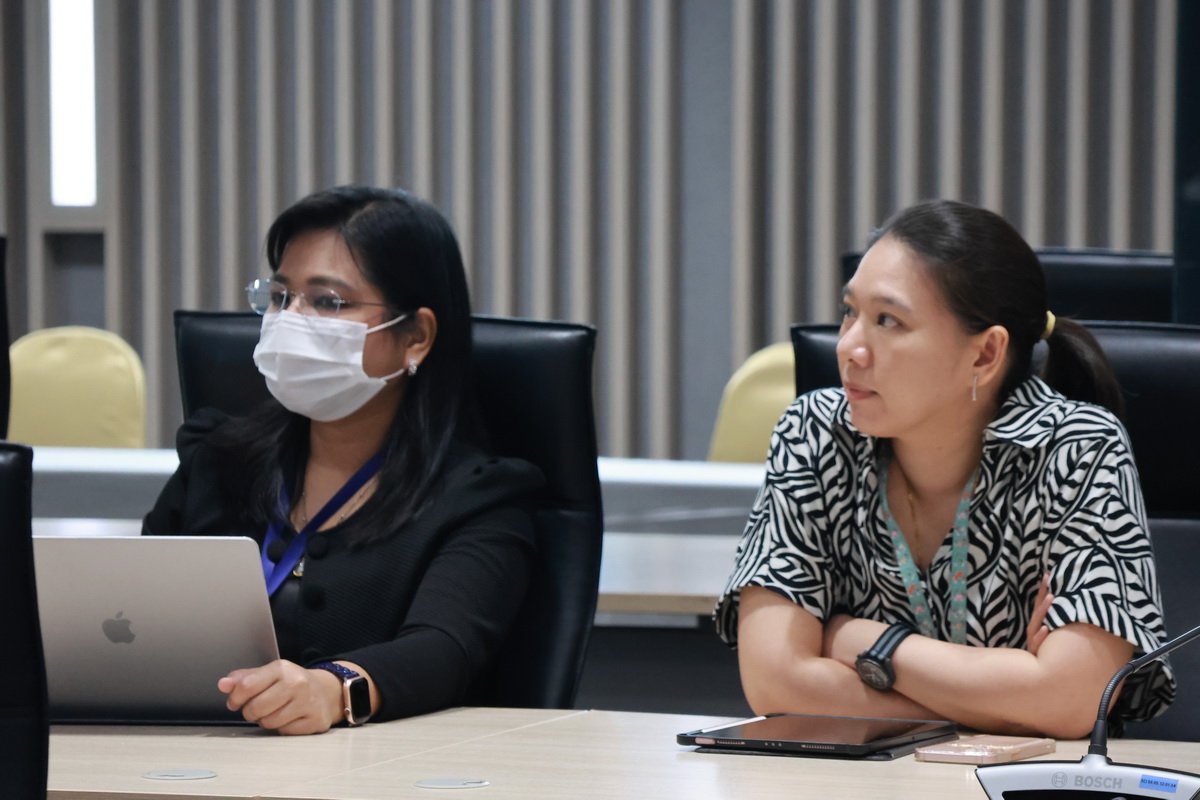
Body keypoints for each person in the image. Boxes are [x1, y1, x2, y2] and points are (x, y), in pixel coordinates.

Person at [715, 199, 1175, 739]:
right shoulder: (815, 433)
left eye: (888, 320)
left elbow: (1076, 698)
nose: (849, 347)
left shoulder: (1077, 448)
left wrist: (863, 641)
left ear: (985, 355)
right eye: (851, 312)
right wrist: (1015, 699)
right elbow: (774, 684)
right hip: (862, 780)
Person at [144, 185, 542, 734]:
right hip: (185, 755)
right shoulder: (217, 459)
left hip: (383, 768)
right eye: (280, 297)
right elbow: (132, 614)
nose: (291, 320)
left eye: (328, 302)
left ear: (416, 336)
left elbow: (443, 648)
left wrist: (333, 690)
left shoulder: (477, 497)